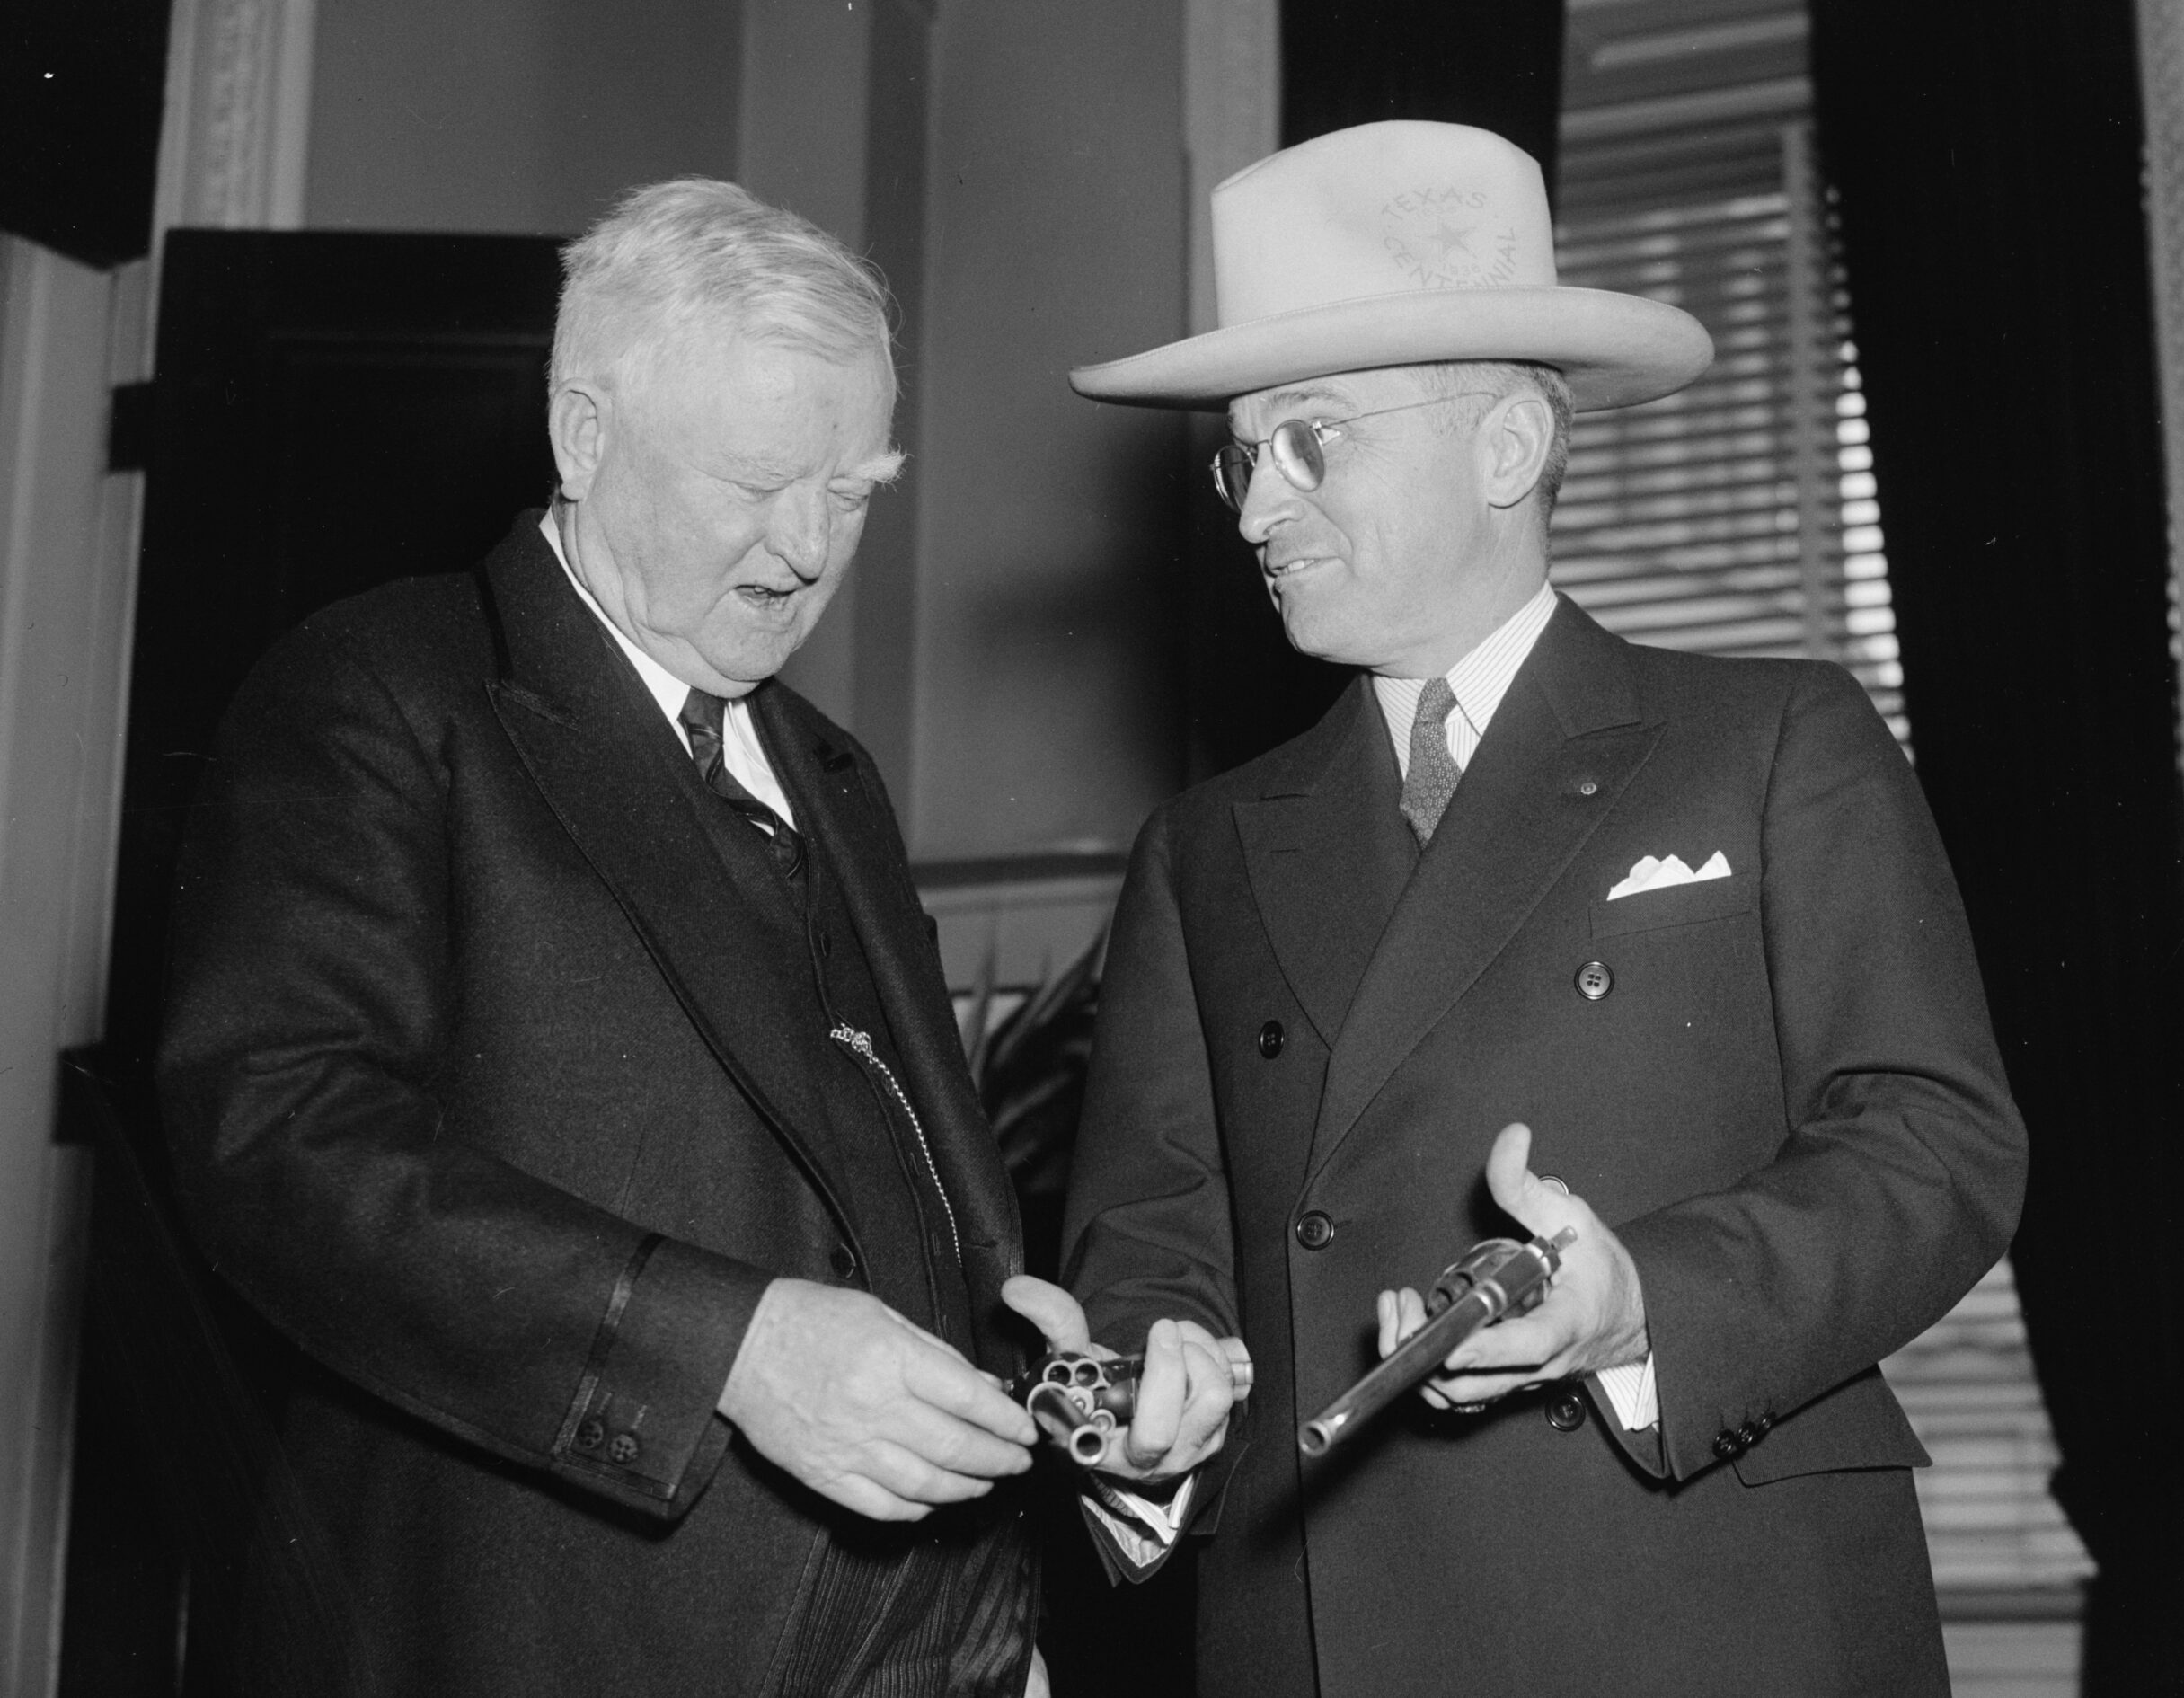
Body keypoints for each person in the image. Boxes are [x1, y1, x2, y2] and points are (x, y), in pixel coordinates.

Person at [1044, 120, 2028, 1695]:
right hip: (1329, 1632)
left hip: (1721, 1610)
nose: (1249, 513)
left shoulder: (1773, 741)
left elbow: (1936, 1140)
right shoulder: (1204, 847)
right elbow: (1159, 1235)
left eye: (1310, 442)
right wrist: (1145, 1407)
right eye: (1240, 455)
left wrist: (1648, 1303)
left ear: (1505, 447)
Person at [159, 180, 1053, 1698]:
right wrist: (730, 1351)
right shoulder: (382, 689)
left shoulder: (831, 770)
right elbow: (276, 1139)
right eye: (762, 480)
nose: (809, 547)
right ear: (584, 434)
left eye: (855, 490)